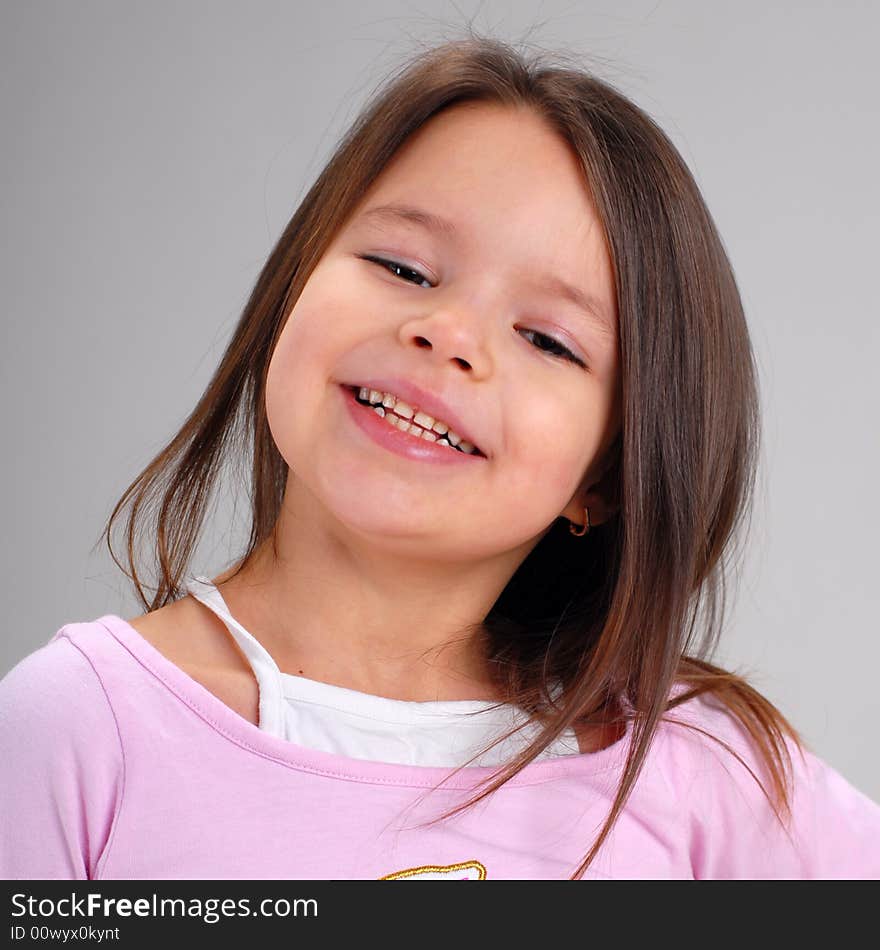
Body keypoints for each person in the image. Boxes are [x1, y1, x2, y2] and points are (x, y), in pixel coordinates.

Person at [2, 34, 879, 882]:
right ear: (293, 289)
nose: (447, 333)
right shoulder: (79, 734)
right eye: (404, 267)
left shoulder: (695, 769)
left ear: (605, 478)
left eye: (546, 338)